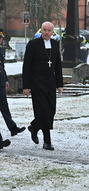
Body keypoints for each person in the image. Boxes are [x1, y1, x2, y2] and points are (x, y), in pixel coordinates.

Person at [22, 21, 63, 150]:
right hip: (37, 82)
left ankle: (34, 127)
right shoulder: (33, 44)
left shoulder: (55, 44)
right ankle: (47, 142)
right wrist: (26, 86)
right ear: (41, 31)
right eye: (44, 30)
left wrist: (60, 84)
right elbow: (26, 66)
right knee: (43, 111)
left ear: (52, 32)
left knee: (51, 111)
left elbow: (58, 65)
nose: (46, 32)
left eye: (49, 30)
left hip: (50, 82)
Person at [0, 33, 26, 138]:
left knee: (4, 107)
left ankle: (12, 128)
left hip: (0, 81)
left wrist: (5, 79)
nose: (1, 40)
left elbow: (2, 66)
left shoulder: (1, 49)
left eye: (1, 38)